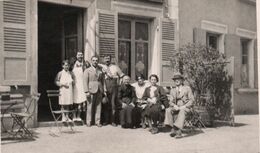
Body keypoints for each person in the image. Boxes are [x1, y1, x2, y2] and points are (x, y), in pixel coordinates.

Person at [164, 72, 194, 138]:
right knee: (168, 110)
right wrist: (174, 106)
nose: (176, 81)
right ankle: (173, 128)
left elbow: (192, 100)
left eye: (178, 79)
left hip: (186, 108)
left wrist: (184, 106)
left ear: (182, 80)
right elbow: (170, 102)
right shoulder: (173, 90)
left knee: (182, 111)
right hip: (176, 107)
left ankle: (176, 130)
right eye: (175, 80)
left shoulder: (187, 88)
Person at [99, 55, 124, 126]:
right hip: (105, 85)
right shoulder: (101, 67)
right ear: (103, 59)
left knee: (113, 104)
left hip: (114, 86)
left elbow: (122, 76)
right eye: (106, 58)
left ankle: (113, 121)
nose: (107, 60)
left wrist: (119, 85)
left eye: (108, 58)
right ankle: (106, 121)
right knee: (105, 103)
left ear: (111, 59)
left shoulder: (115, 67)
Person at [83, 56, 104, 127]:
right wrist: (86, 91)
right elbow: (85, 81)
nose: (95, 62)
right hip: (91, 90)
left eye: (96, 60)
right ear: (91, 61)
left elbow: (102, 81)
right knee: (90, 106)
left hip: (99, 90)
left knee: (98, 106)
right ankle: (88, 121)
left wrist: (103, 90)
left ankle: (97, 121)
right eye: (94, 60)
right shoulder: (87, 70)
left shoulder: (100, 70)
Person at [72, 52, 87, 122]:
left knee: (81, 101)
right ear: (76, 56)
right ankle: (74, 116)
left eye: (81, 55)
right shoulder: (72, 64)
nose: (80, 56)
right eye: (79, 55)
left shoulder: (85, 64)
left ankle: (79, 116)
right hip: (75, 84)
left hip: (82, 84)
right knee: (74, 101)